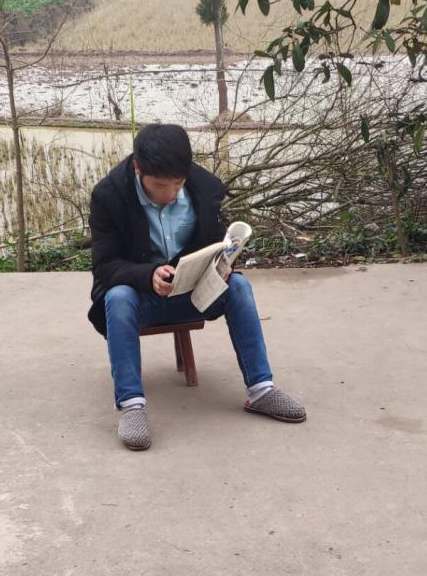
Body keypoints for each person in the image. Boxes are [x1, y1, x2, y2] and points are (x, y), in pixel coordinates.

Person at [87, 123, 306, 451]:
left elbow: (214, 243)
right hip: (141, 298)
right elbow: (105, 265)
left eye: (178, 184)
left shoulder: (204, 188)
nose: (170, 194)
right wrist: (148, 275)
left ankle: (261, 390)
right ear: (137, 168)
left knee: (239, 286)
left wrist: (224, 264)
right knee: (118, 297)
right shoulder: (109, 196)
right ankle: (131, 406)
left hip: (192, 294)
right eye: (160, 185)